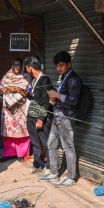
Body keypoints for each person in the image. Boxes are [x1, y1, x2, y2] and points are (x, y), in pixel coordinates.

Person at [39, 51, 81, 188]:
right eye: (57, 66)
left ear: (69, 64)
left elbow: (73, 100)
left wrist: (56, 95)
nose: (58, 68)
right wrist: (55, 100)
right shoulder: (64, 77)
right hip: (58, 115)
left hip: (66, 117)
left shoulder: (73, 79)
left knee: (68, 147)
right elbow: (63, 97)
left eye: (61, 65)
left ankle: (71, 177)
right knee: (51, 142)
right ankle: (53, 172)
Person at [24, 56, 54, 174]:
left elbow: (48, 101)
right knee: (35, 143)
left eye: (26, 67)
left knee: (46, 142)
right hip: (31, 115)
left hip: (40, 117)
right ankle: (37, 164)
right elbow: (35, 98)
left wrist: (41, 119)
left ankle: (50, 166)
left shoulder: (45, 80)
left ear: (30, 68)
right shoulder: (33, 80)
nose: (26, 70)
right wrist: (27, 95)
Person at [0, 58, 30, 163]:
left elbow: (31, 90)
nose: (16, 67)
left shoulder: (26, 77)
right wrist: (9, 88)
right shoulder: (6, 77)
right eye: (14, 65)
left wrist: (25, 91)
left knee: (21, 132)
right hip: (8, 110)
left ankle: (21, 153)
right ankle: (8, 153)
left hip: (21, 109)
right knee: (8, 132)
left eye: (18, 65)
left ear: (22, 66)